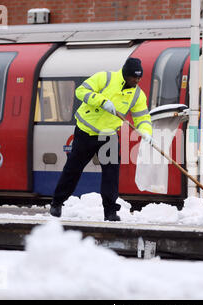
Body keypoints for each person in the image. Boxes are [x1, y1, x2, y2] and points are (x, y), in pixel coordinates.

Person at [50, 58, 153, 221]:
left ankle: (110, 211)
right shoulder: (105, 78)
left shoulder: (138, 95)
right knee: (73, 170)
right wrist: (102, 102)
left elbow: (142, 117)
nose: (137, 80)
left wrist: (146, 131)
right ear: (125, 74)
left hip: (109, 136)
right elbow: (81, 91)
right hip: (85, 132)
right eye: (134, 77)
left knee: (111, 174)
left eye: (139, 77)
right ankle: (57, 202)